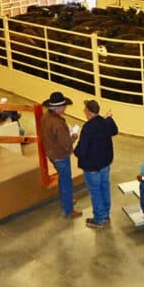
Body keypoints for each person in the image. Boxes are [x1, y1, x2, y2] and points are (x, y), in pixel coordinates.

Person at [73, 99, 118, 229]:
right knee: (104, 187)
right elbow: (115, 130)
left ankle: (99, 219)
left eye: (84, 110)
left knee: (95, 191)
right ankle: (105, 214)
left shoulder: (88, 128)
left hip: (92, 166)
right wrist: (109, 118)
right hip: (105, 164)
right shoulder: (105, 122)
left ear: (88, 112)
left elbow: (82, 150)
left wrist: (74, 150)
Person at [39, 91, 82, 220]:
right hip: (60, 155)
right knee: (66, 182)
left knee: (62, 179)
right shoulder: (57, 123)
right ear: (58, 108)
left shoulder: (45, 117)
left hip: (51, 153)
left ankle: (66, 200)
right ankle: (68, 210)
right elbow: (66, 143)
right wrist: (74, 136)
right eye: (64, 106)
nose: (65, 108)